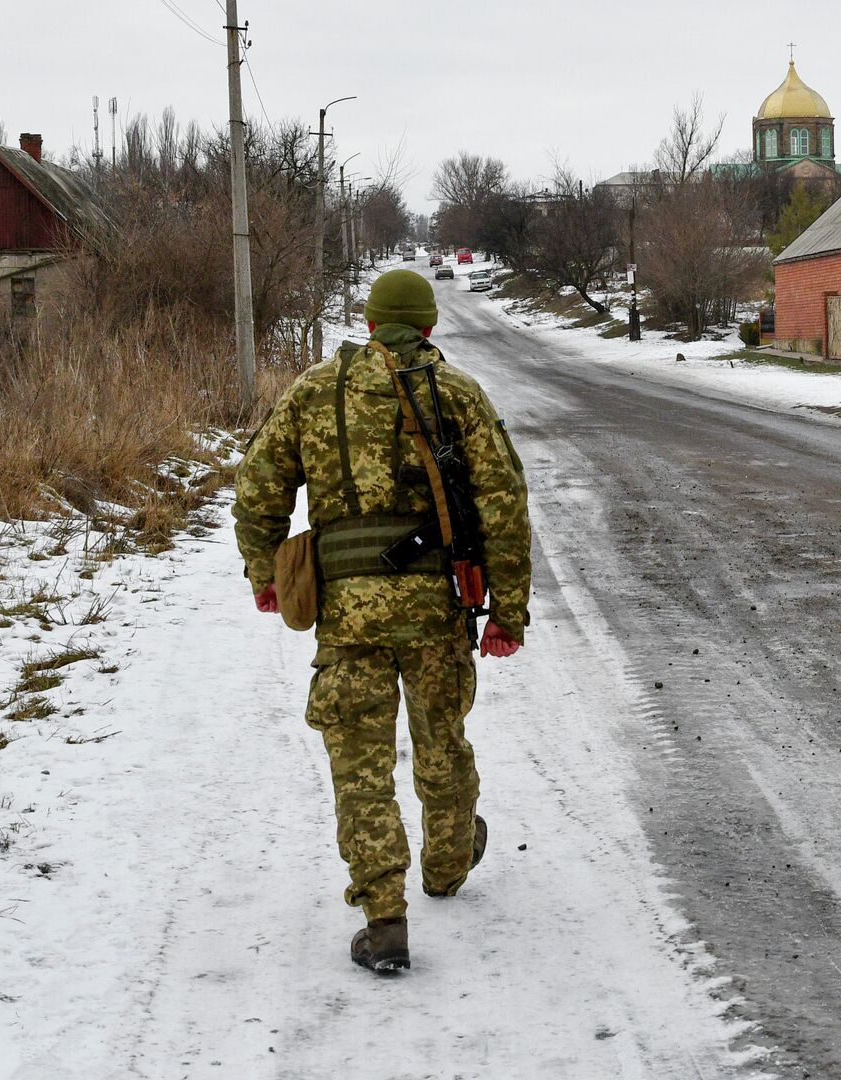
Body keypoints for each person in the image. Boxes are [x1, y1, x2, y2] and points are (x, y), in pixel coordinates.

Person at [233, 268, 531, 973]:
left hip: (346, 611)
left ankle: (385, 919)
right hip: (435, 605)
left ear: (368, 324)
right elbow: (504, 505)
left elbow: (257, 489)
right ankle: (448, 865)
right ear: (429, 327)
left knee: (359, 761)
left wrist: (264, 575)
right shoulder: (455, 391)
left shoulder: (314, 390)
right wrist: (507, 613)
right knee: (442, 740)